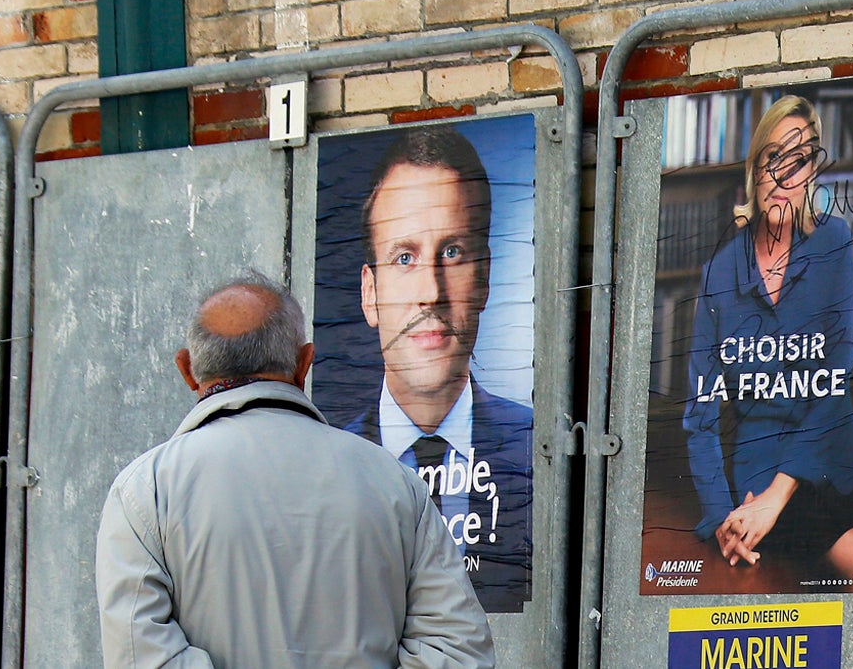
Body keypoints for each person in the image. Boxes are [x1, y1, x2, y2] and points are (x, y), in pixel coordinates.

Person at [95, 271, 495, 668]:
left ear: (187, 370)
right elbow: (458, 652)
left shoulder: (146, 492)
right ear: (305, 364)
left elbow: (142, 660)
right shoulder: (394, 482)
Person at [684, 95, 853, 589]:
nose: (784, 175)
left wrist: (776, 497)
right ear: (755, 170)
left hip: (826, 467)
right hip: (753, 485)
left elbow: (831, 383)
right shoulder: (718, 273)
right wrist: (721, 521)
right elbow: (701, 416)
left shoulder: (833, 244)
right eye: (774, 158)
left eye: (799, 162)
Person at [345, 126, 533, 613]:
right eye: (404, 257)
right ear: (371, 294)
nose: (431, 289)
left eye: (452, 253)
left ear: (485, 278)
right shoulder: (324, 468)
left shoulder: (538, 452)